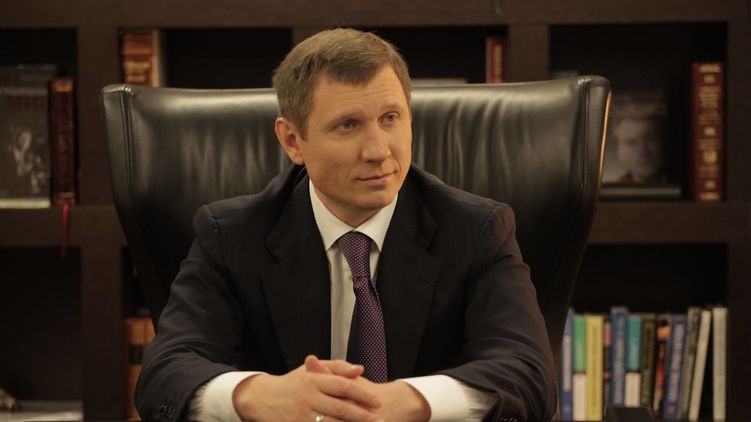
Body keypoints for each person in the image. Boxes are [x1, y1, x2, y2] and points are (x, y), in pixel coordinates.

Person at [135, 28, 556, 422]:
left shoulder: (475, 229)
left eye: (390, 118)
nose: (378, 150)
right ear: (293, 141)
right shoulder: (231, 235)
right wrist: (258, 395)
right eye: (348, 125)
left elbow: (527, 372)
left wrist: (407, 401)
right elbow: (165, 373)